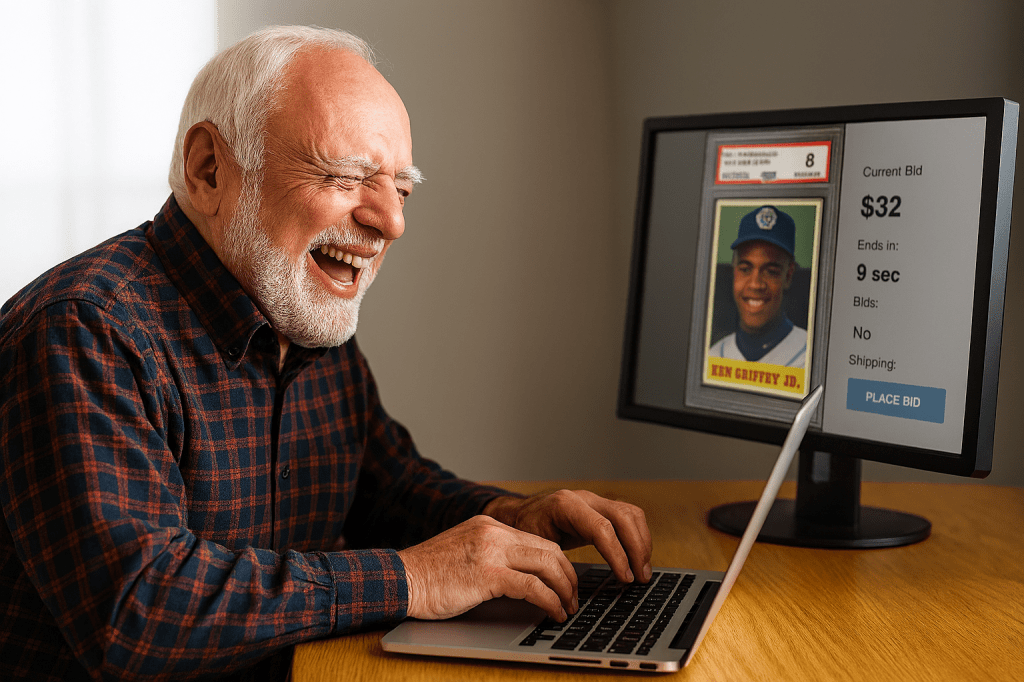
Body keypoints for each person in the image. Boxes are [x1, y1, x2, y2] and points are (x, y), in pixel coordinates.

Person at [0, 26, 652, 681]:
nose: (390, 222)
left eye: (401, 189)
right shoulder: (83, 328)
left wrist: (508, 516)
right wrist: (409, 578)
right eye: (345, 176)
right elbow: (138, 612)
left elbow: (387, 487)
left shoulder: (299, 308)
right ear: (209, 169)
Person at [708, 205, 807, 367]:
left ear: (788, 276)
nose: (755, 284)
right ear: (734, 271)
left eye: (771, 271)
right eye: (745, 269)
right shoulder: (715, 355)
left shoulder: (809, 354)